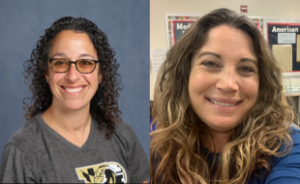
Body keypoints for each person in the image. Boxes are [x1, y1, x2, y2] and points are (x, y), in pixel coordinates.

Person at [150, 8, 300, 184]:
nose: (228, 84)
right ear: (185, 74)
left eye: (245, 68)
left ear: (262, 83)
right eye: (211, 63)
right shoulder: (153, 143)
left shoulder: (287, 147)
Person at [0, 16, 149, 183]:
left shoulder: (123, 135)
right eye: (60, 63)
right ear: (46, 73)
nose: (72, 76)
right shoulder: (22, 150)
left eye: (85, 62)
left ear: (100, 74)